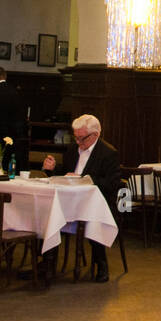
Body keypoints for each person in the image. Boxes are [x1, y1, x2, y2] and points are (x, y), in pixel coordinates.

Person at [42, 114, 123, 282]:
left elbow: (111, 184)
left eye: (82, 138)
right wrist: (51, 170)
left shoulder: (108, 153)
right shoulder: (72, 150)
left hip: (99, 202)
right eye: (76, 137)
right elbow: (64, 175)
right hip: (70, 201)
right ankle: (46, 264)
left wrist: (84, 179)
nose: (78, 142)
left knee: (94, 217)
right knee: (47, 213)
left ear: (95, 135)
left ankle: (101, 263)